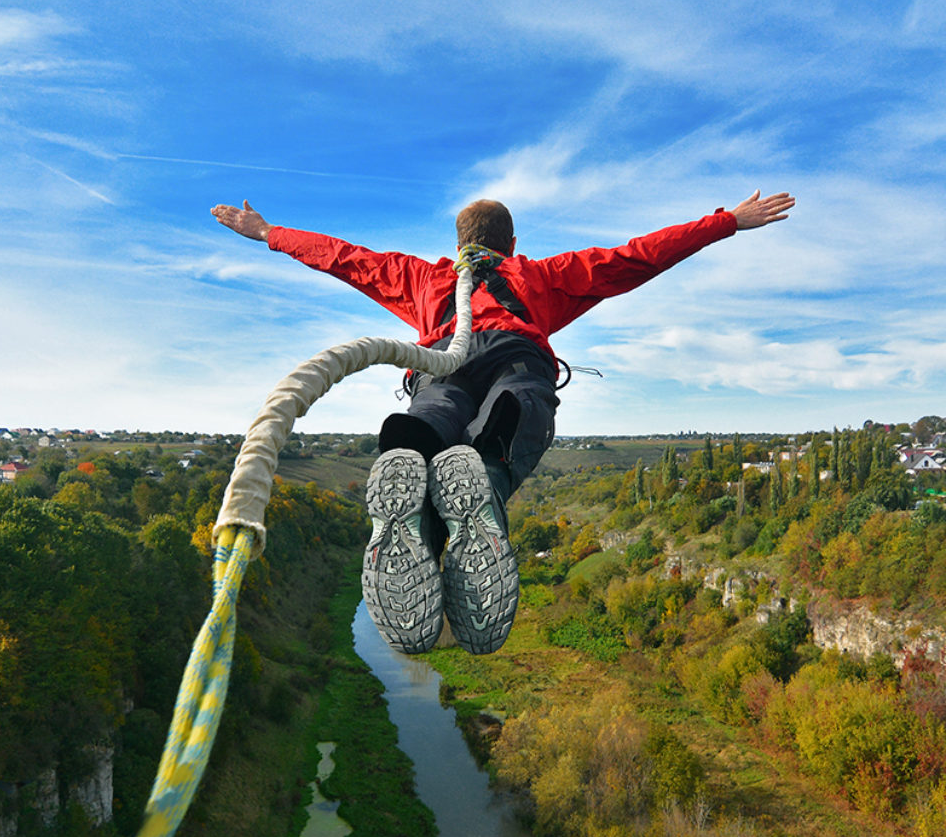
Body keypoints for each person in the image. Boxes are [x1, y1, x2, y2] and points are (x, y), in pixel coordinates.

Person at [212, 190, 793, 656]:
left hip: (441, 365)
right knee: (515, 411)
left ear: (458, 243)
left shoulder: (419, 277)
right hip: (516, 358)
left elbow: (343, 257)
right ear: (512, 244)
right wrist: (726, 222)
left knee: (434, 418)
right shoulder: (543, 276)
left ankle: (413, 470)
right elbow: (637, 256)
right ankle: (484, 474)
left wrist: (267, 233)